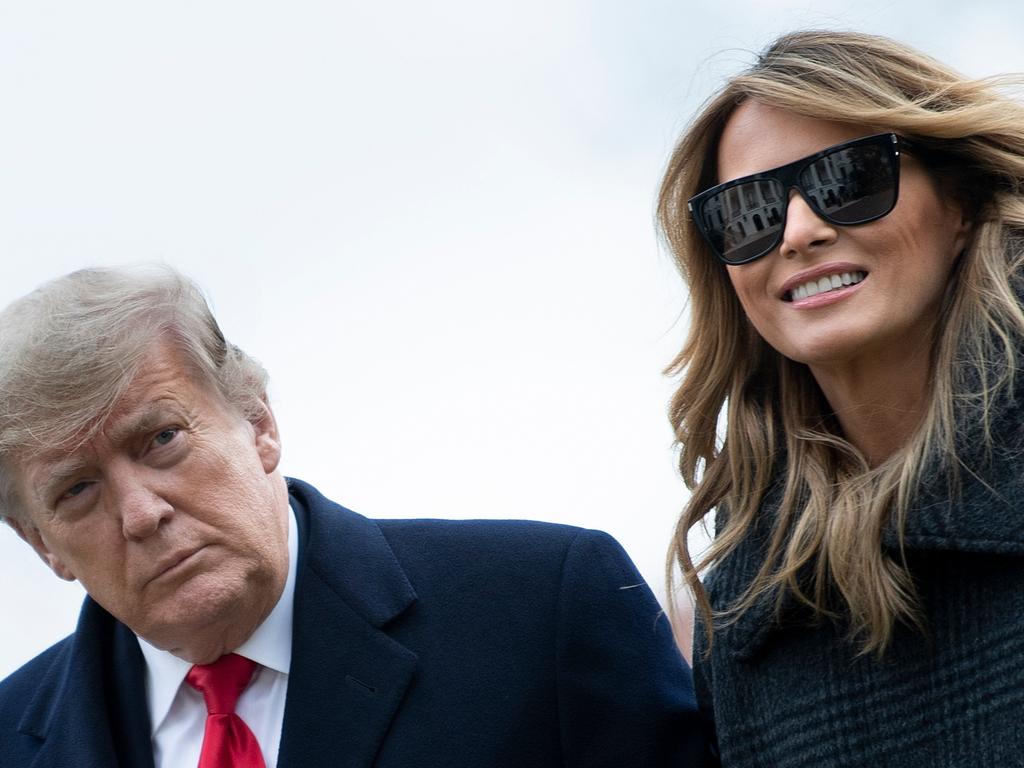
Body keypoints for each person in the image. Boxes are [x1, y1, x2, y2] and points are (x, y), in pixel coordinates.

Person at [0, 266, 709, 767]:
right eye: (77, 490)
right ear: (42, 546)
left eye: (160, 439)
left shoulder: (545, 609)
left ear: (257, 422)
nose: (141, 514)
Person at [658, 29, 1024, 767]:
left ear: (959, 200)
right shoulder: (744, 609)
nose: (798, 231)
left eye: (849, 181)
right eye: (750, 213)